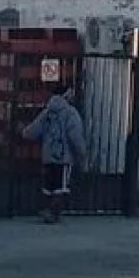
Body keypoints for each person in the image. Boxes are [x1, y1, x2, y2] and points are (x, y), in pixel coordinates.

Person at [22, 83, 87, 224]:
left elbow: (32, 131)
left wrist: (24, 133)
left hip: (48, 155)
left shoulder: (47, 112)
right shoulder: (70, 113)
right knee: (61, 188)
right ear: (67, 95)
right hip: (64, 156)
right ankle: (53, 214)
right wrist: (82, 152)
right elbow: (75, 135)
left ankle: (48, 211)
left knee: (49, 187)